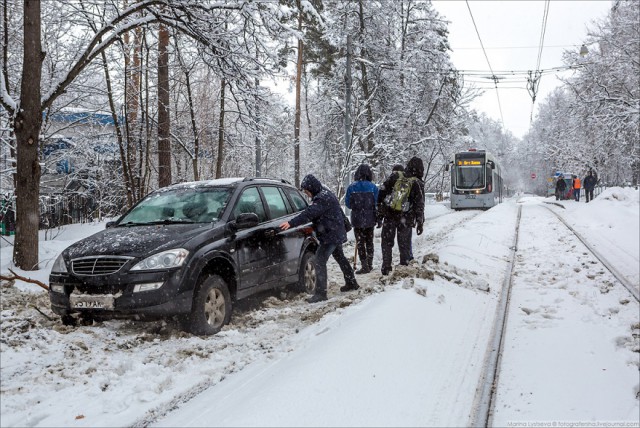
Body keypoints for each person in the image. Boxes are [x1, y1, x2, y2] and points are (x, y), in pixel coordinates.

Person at [280, 174, 359, 303]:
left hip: (330, 235)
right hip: (335, 232)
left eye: (307, 192)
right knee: (340, 257)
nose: (307, 194)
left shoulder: (321, 199)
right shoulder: (326, 194)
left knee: (319, 261)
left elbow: (309, 213)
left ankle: (321, 293)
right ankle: (351, 282)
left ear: (312, 188)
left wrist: (291, 223)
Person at [376, 157, 425, 276]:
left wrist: (380, 213)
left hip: (390, 214)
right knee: (404, 244)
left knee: (387, 242)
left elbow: (381, 192)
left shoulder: (395, 176)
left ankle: (386, 266)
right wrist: (420, 222)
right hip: (406, 218)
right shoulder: (417, 183)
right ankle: (404, 266)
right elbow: (419, 204)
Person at [345, 164, 379, 274]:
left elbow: (348, 205)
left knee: (360, 243)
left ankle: (364, 265)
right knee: (369, 242)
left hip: (357, 219)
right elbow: (377, 203)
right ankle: (369, 263)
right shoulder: (373, 187)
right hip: (370, 219)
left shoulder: (351, 187)